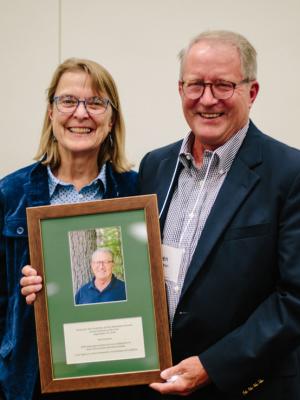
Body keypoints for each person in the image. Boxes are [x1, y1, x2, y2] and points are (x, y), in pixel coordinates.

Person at [137, 30, 300, 398]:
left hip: (248, 386)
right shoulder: (154, 166)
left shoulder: (289, 173)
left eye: (223, 85)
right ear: (180, 89)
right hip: (159, 383)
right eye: (196, 84)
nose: (207, 99)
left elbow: (295, 298)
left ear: (251, 92)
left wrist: (212, 366)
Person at [0, 58, 137, 400]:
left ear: (111, 119)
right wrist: (23, 294)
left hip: (116, 379)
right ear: (50, 112)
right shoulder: (9, 195)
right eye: (68, 101)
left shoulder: (139, 193)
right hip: (29, 382)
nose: (81, 113)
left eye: (95, 103)